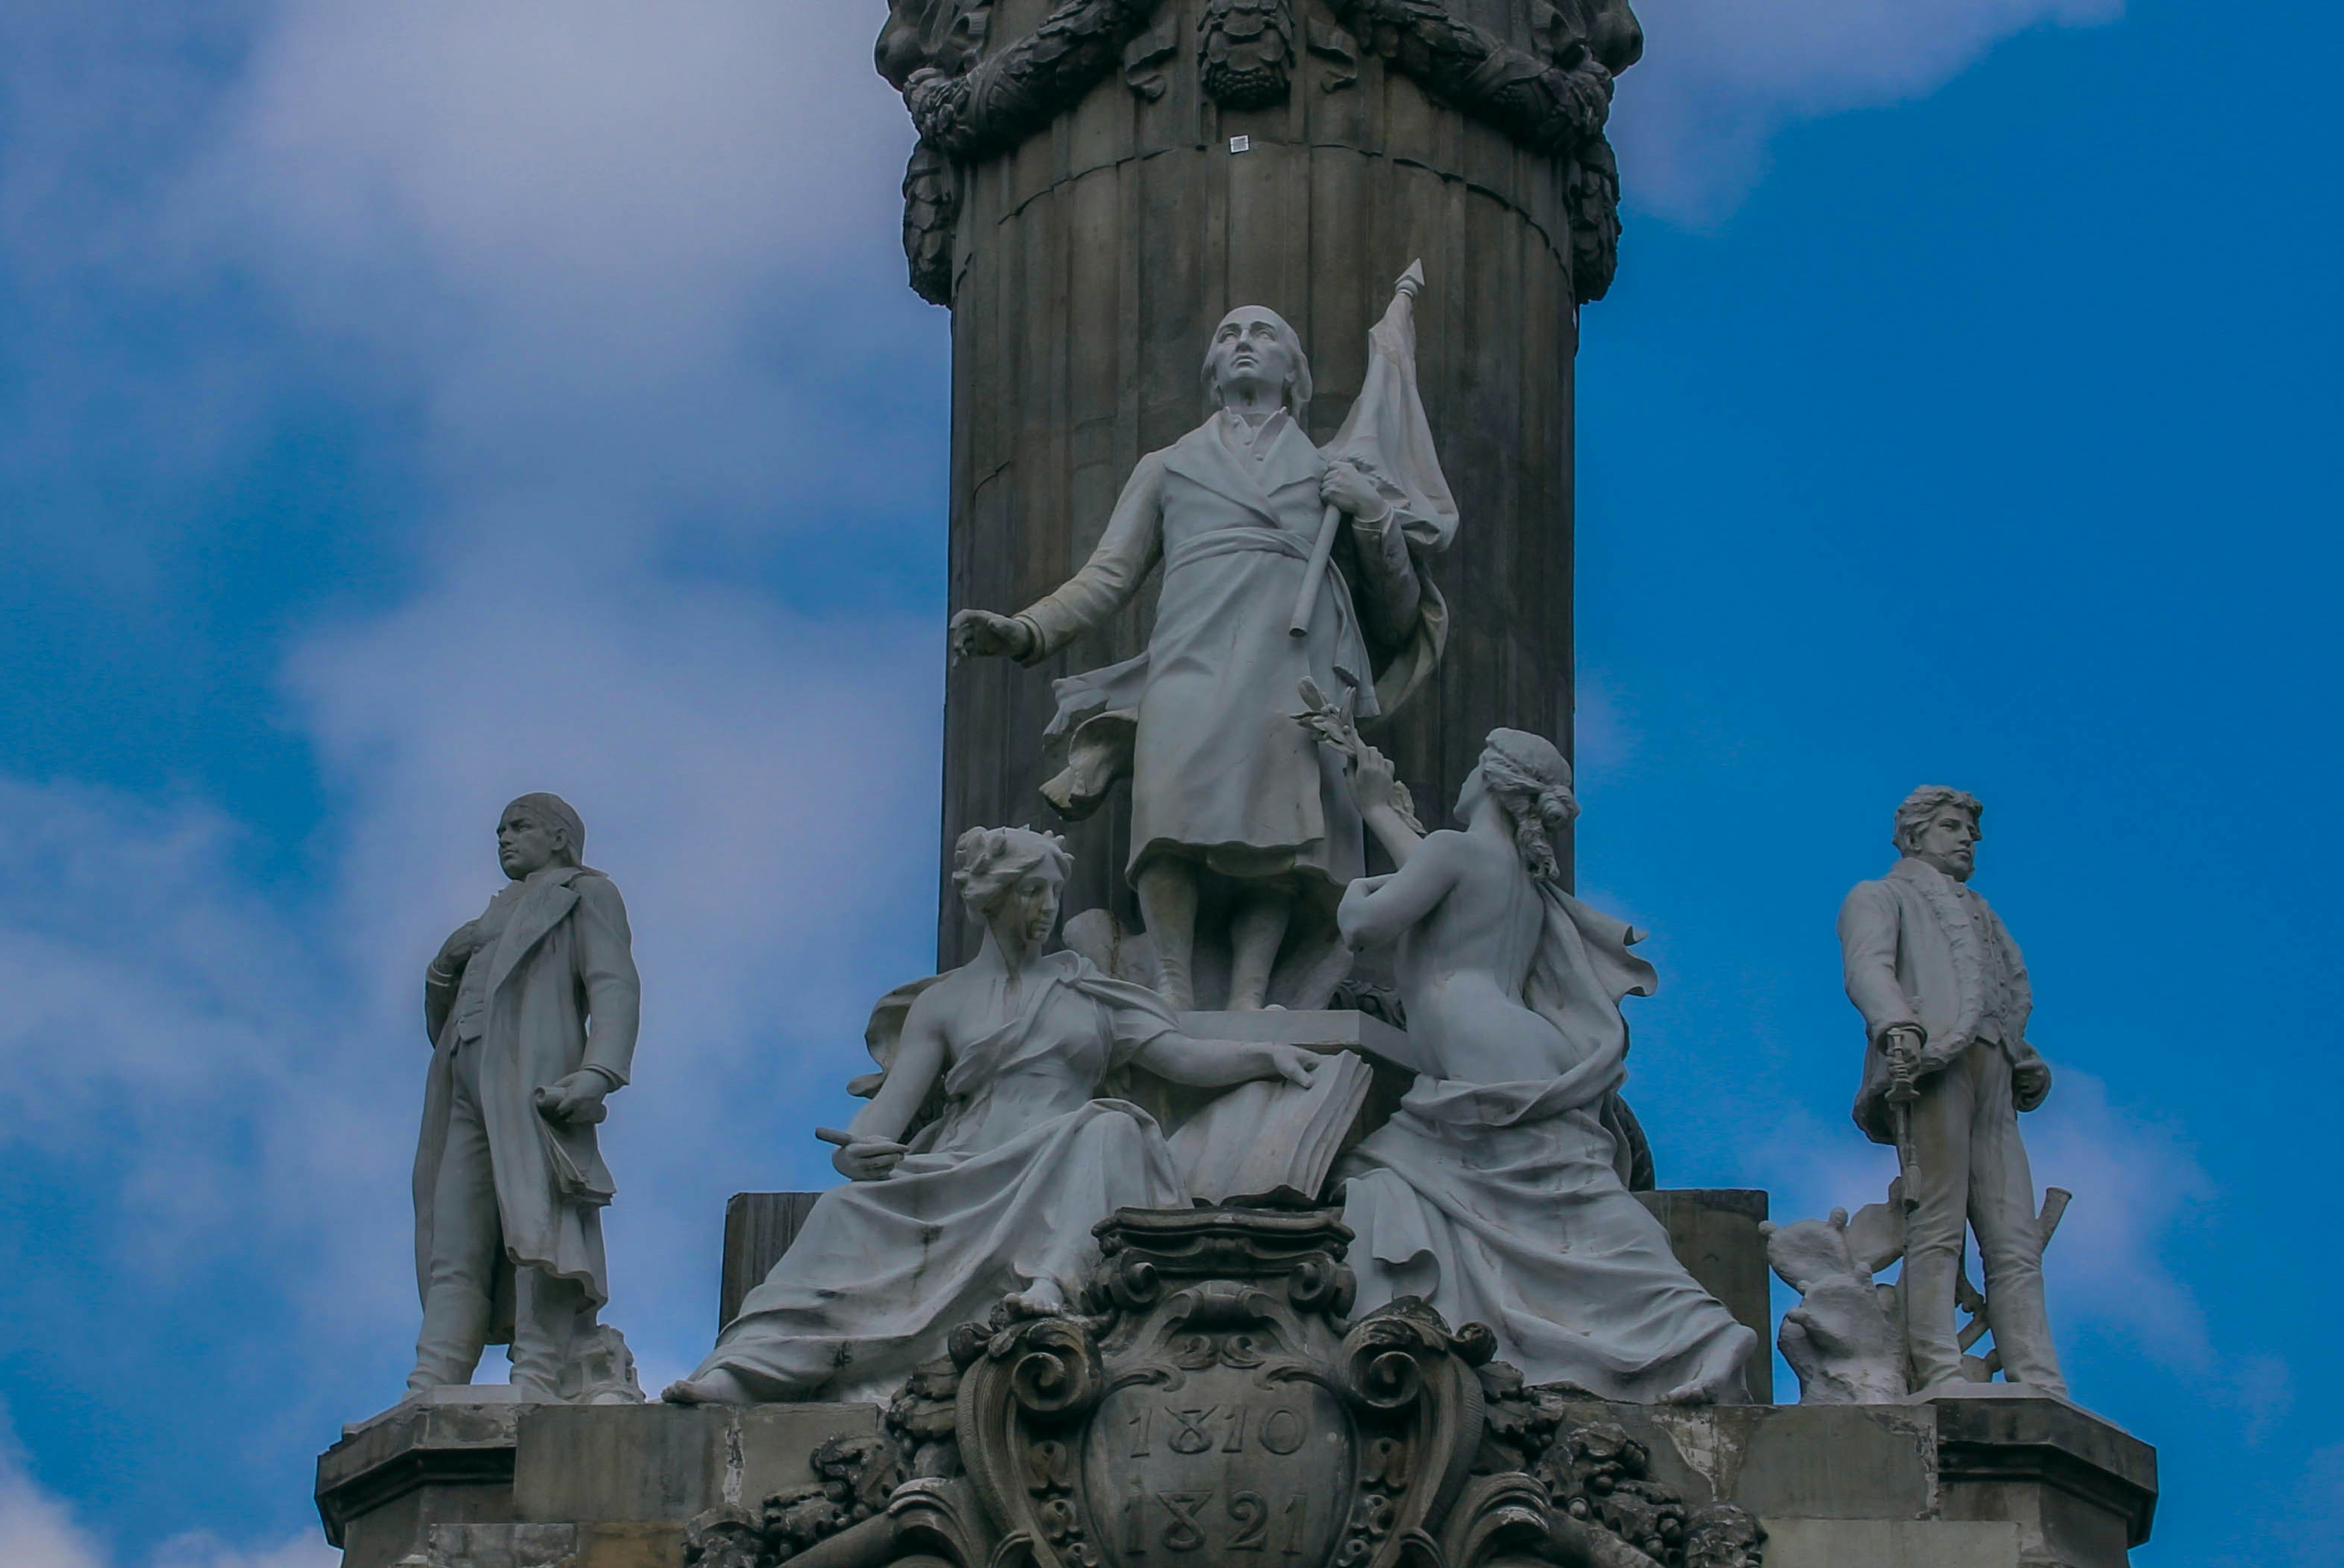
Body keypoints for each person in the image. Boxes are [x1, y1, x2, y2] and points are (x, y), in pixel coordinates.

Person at [664, 827, 1323, 1406]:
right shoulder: (944, 1003)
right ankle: (747, 1370)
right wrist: (853, 1155)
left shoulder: (1086, 989)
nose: (1045, 910)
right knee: (841, 1212)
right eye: (1032, 892)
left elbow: (1180, 1058)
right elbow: (878, 1126)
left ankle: (1055, 1281)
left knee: (1111, 1125)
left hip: (1059, 1156)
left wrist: (1263, 1056)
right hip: (967, 1164)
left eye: (1053, 894)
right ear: (992, 897)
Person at [951, 288, 1451, 1011]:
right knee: (1167, 820)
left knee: (1282, 843)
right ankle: (1174, 983)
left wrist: (1373, 516)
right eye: (1228, 335)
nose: (1243, 341)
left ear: (1294, 371)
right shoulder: (1168, 465)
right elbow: (1107, 576)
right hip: (1192, 653)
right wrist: (1025, 630)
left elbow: (1397, 609)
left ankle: (1250, 993)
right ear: (1214, 370)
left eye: (1263, 333)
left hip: (1293, 663)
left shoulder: (1330, 472)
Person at [1315, 721, 1757, 1405]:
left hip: (1487, 1050)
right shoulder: (1508, 869)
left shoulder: (1455, 852)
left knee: (1574, 1201)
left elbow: (1365, 928)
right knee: (1566, 1198)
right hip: (1516, 1042)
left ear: (1491, 780)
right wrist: (1376, 806)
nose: (1458, 781)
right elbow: (1431, 872)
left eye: (1471, 769)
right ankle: (1653, 1329)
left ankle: (1698, 1329)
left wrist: (1353, 889)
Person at [403, 793, 645, 1402]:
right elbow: (444, 1023)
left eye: (520, 827)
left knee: (537, 1223)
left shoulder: (586, 893)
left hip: (532, 1083)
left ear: (559, 837)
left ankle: (537, 1372)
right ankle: (433, 1378)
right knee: (454, 1241)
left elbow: (614, 983)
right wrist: (443, 966)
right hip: (464, 1082)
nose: (504, 838)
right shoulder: (485, 921)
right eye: (500, 830)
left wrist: (598, 1072)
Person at [1837, 787, 2064, 1400]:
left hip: (1993, 1068)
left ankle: (2037, 1376)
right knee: (1936, 1226)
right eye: (1952, 826)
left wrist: (2024, 1055)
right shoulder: (1880, 896)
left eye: (1969, 829)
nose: (1968, 838)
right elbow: (1869, 969)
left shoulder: (1983, 915)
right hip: (1934, 1063)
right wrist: (1895, 1026)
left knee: (2014, 1235)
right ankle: (1937, 1370)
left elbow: (2006, 989)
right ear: (1914, 836)